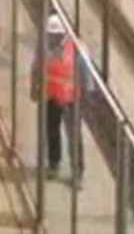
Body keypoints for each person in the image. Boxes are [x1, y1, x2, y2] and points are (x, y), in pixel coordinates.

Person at [32, 14, 91, 186]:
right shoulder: (44, 46)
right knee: (52, 131)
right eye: (50, 35)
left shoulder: (78, 48)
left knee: (74, 135)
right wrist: (35, 87)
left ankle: (77, 171)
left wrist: (87, 95)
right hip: (51, 95)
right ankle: (53, 163)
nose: (52, 38)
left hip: (71, 98)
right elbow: (37, 66)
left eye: (55, 35)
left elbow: (86, 74)